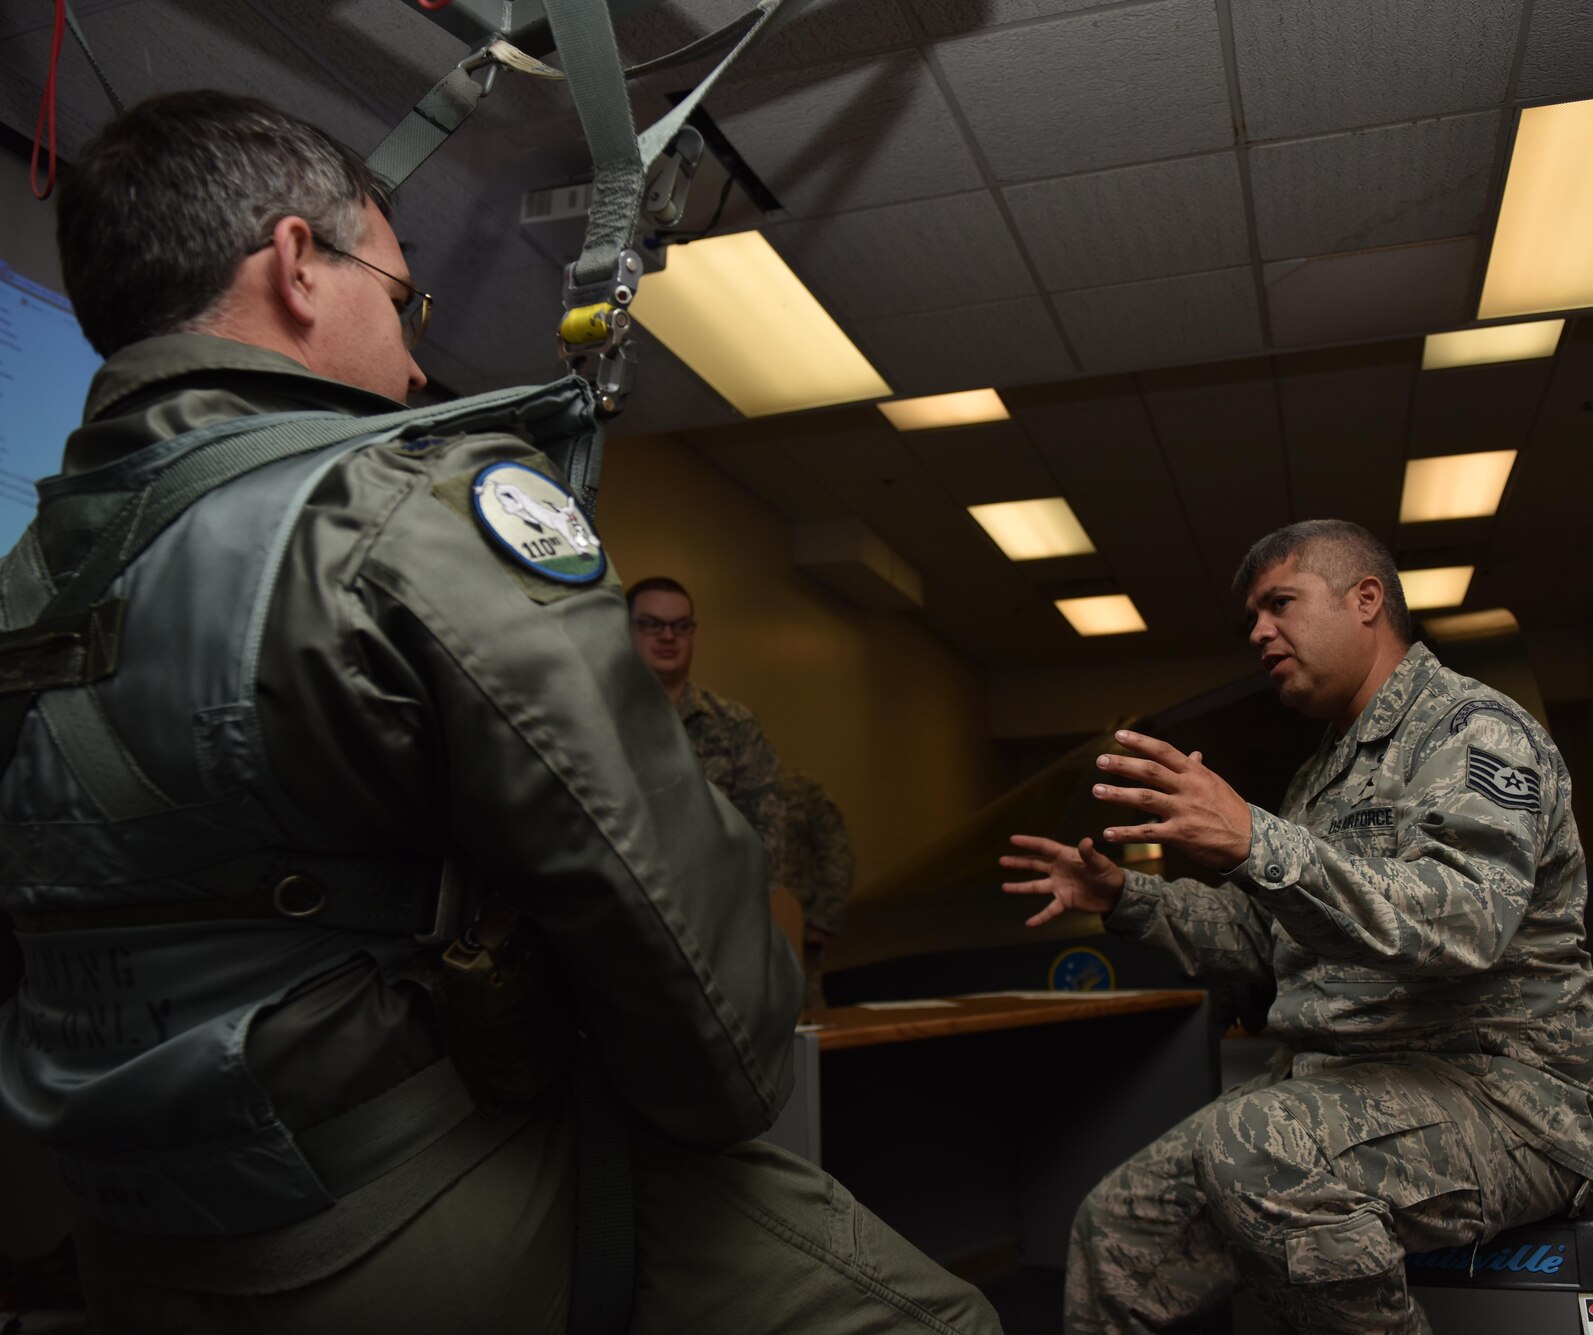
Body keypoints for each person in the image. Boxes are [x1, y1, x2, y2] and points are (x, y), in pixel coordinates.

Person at [0, 90, 998, 1335]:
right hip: (389, 1221)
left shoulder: (27, 582)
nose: (416, 359)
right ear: (299, 268)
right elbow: (706, 1003)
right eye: (402, 295)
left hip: (130, 1237)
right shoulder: (406, 506)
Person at [1003, 519, 1593, 1335]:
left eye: (1279, 603)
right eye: (1253, 616)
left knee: (1255, 1146)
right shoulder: (1322, 771)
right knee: (1116, 1227)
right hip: (1344, 1084)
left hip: (1500, 1096)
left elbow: (1466, 921)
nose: (1259, 632)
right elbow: (1266, 942)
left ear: (1366, 600)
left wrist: (1259, 839)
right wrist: (1126, 898)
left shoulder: (1473, 729)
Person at [626, 576, 787, 871]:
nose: (667, 636)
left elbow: (767, 831)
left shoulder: (734, 725)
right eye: (651, 624)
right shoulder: (602, 720)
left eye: (681, 626)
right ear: (626, 629)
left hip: (715, 899)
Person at [774, 768, 856, 1008]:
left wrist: (822, 921)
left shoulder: (801, 792)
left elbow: (837, 856)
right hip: (737, 940)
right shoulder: (716, 794)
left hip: (797, 936)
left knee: (805, 1017)